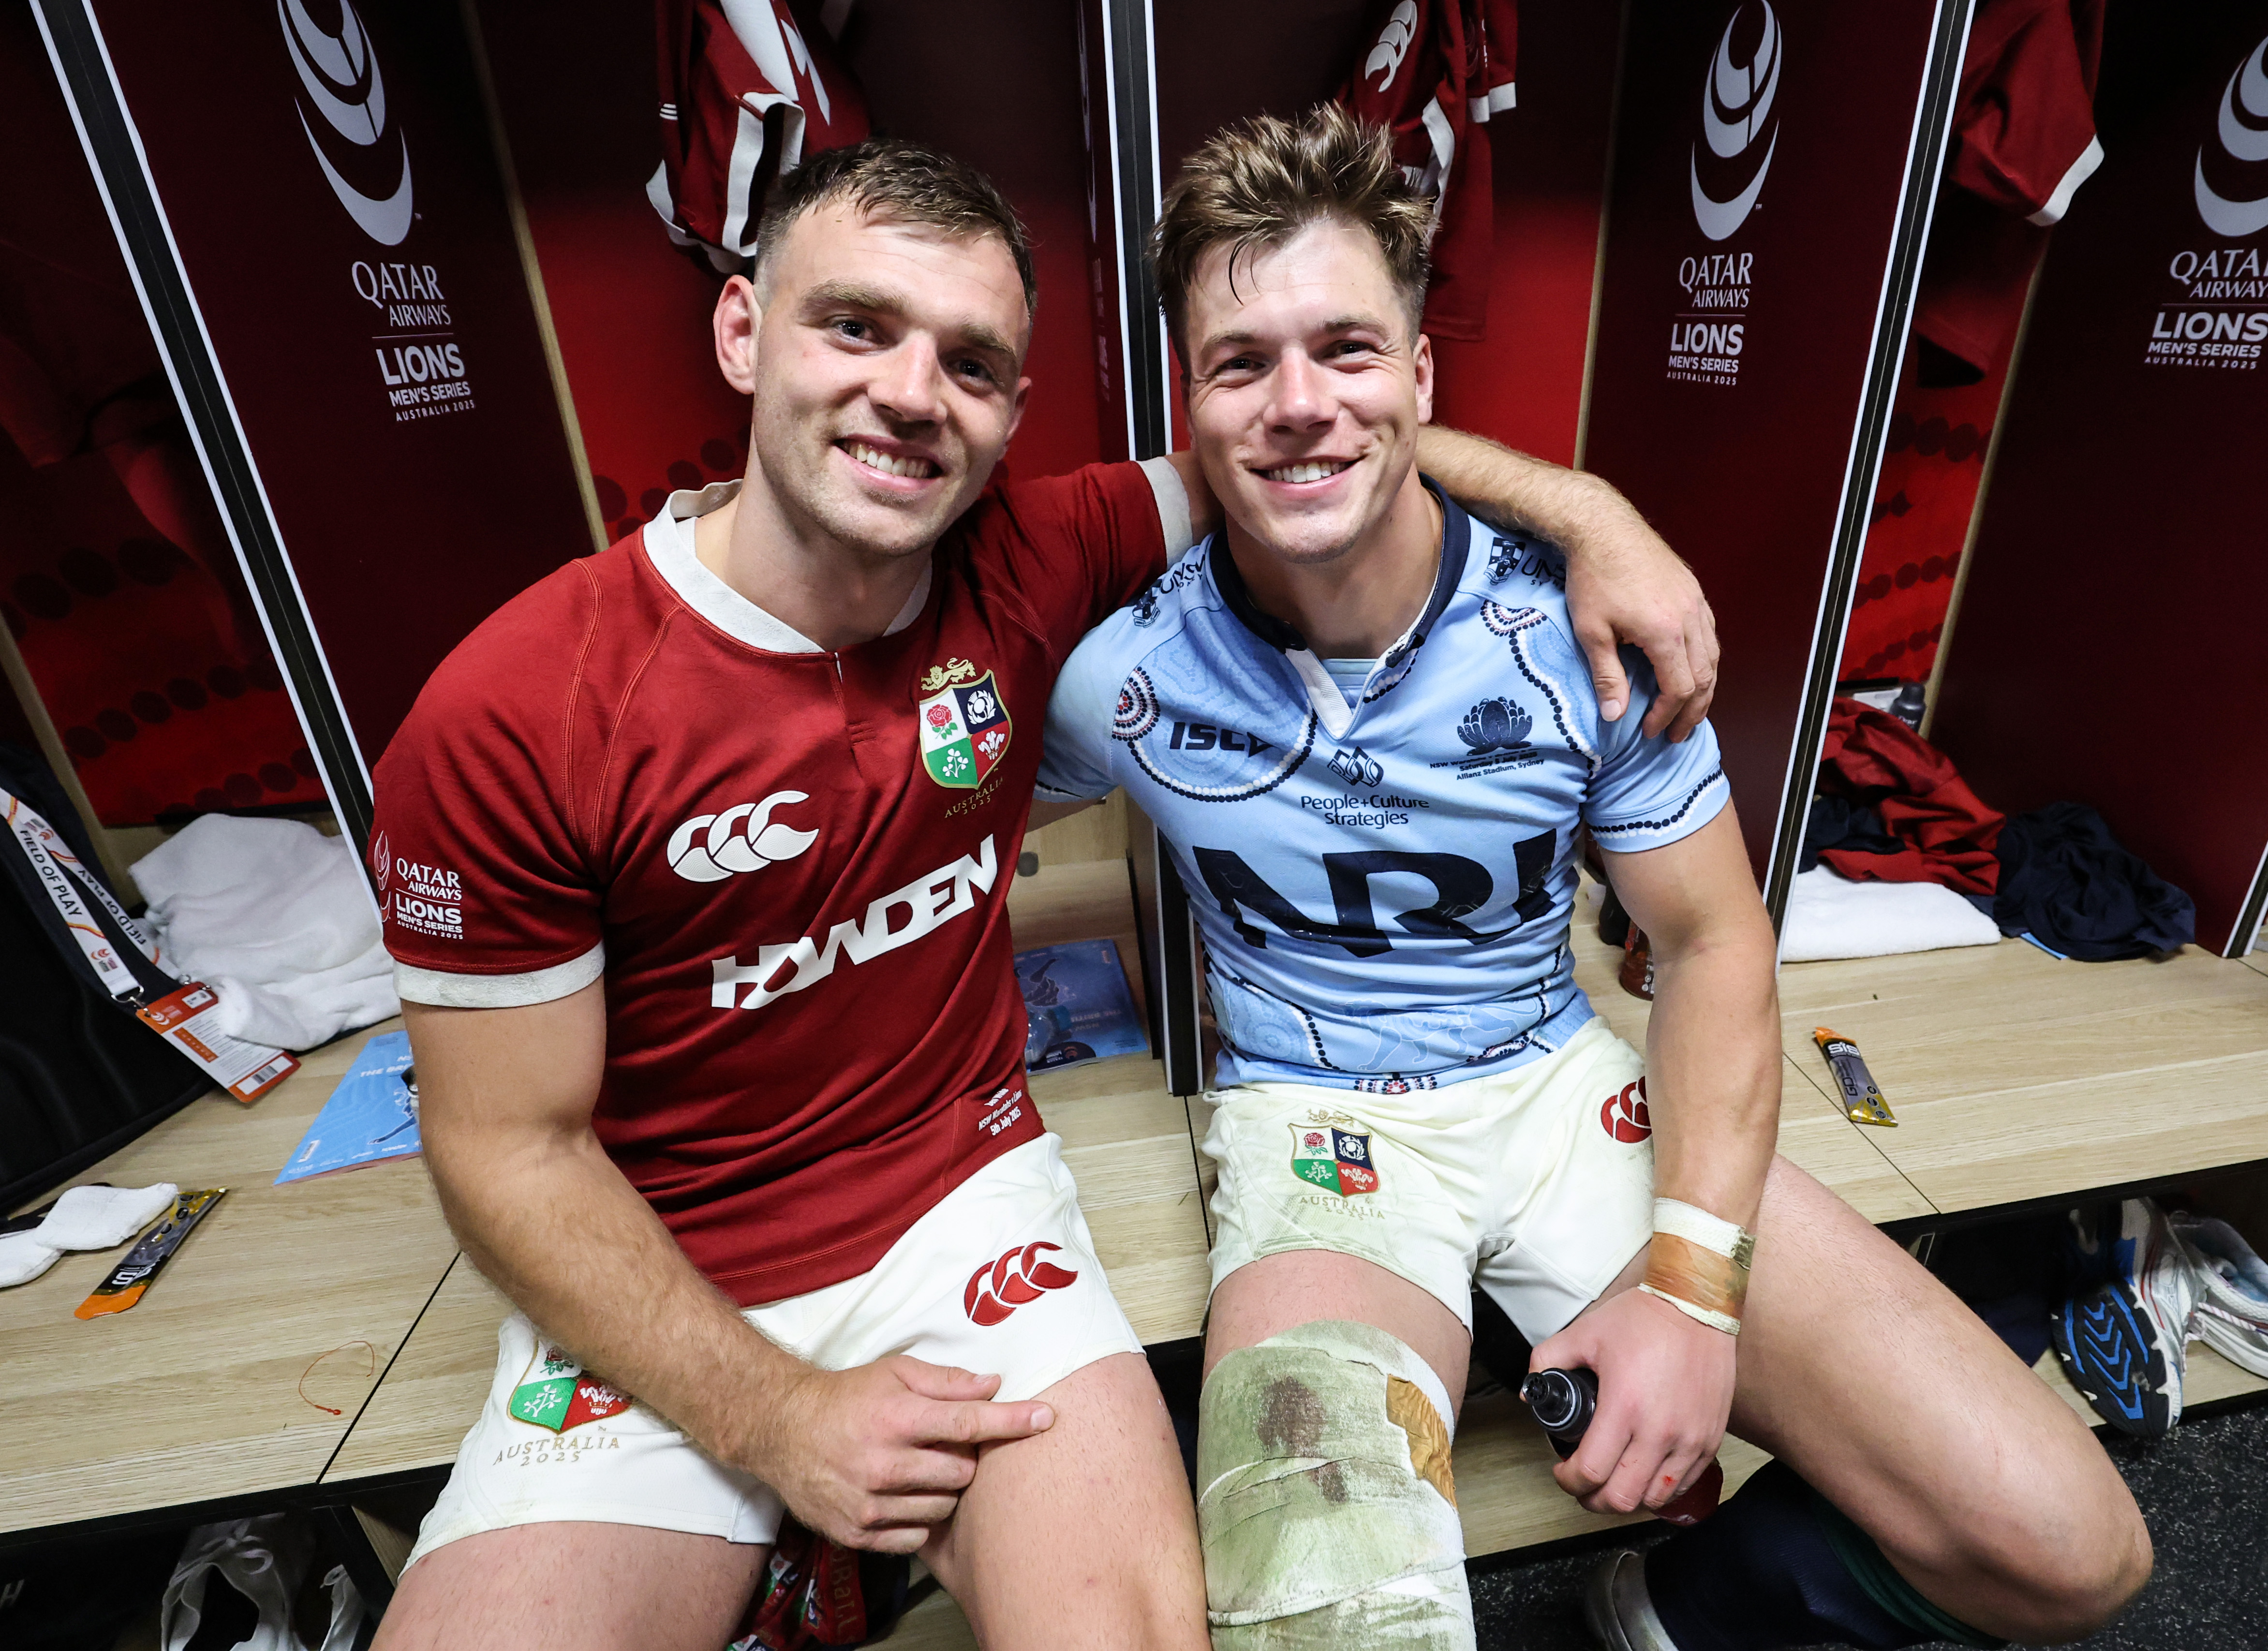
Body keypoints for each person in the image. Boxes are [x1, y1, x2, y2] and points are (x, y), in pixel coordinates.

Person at [366, 135, 1716, 1651]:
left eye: (972, 361)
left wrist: (1593, 510)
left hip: (962, 1208)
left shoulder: (1029, 552)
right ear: (741, 331)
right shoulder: (514, 706)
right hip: (661, 1266)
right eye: (855, 326)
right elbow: (503, 1149)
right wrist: (773, 1417)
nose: (909, 392)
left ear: (1010, 412)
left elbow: (1308, 443)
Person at [1035, 105, 2151, 1651]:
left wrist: (1692, 1293)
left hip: (1561, 1092)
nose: (1299, 404)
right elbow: (892, 777)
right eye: (1242, 365)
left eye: (1348, 350)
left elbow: (1706, 941)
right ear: (1191, 404)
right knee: (1326, 1628)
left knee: (2065, 1548)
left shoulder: (1579, 628)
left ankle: (1694, 1606)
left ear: (1421, 380)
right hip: (1313, 1134)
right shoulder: (1113, 658)